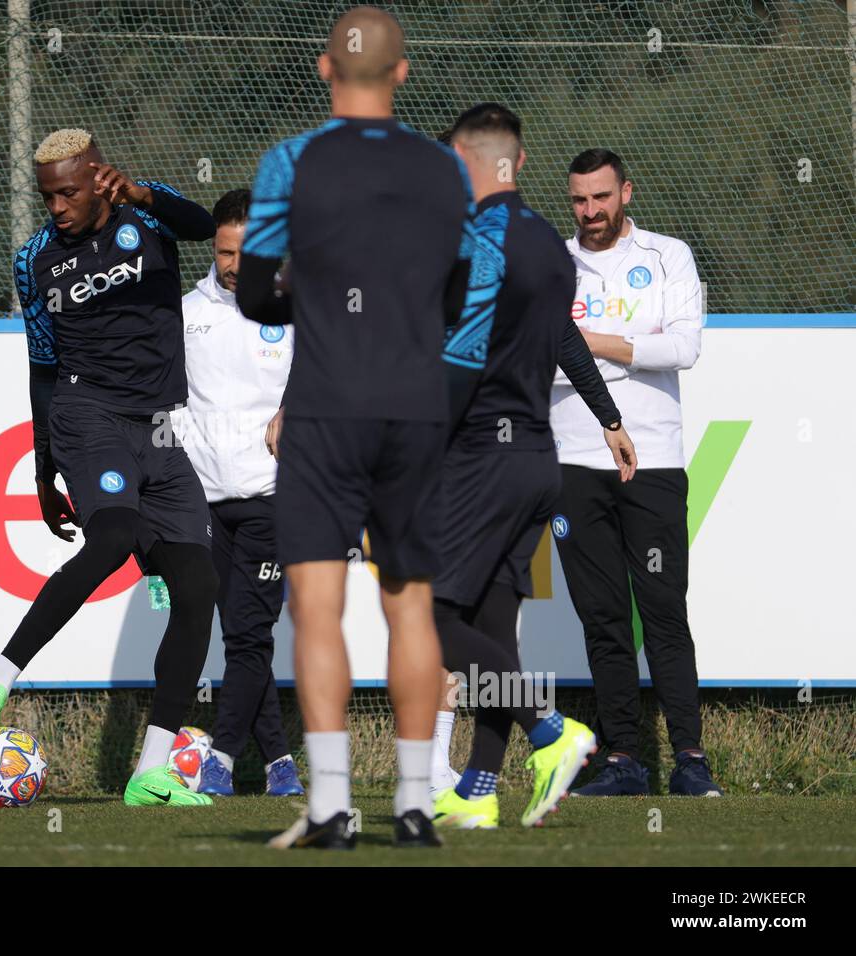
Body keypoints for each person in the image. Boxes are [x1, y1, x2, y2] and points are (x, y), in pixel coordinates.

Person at [237, 5, 471, 850]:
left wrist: (318, 292)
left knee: (316, 607)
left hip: (326, 407)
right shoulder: (447, 171)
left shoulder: (289, 163)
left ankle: (331, 804)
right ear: (403, 74)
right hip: (415, 406)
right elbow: (455, 296)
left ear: (324, 69)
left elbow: (254, 294)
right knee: (413, 608)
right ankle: (414, 804)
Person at [0, 129, 222, 807]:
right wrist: (46, 471)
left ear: (98, 179)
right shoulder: (35, 259)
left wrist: (142, 192)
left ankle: (149, 771)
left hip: (159, 425)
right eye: (48, 196)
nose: (58, 208)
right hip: (87, 412)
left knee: (196, 588)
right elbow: (41, 366)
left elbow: (206, 225)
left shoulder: (147, 216)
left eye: (69, 192)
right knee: (112, 537)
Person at [424, 104, 638, 830]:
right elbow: (565, 341)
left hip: (478, 458)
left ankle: (551, 732)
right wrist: (610, 419)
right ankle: (480, 788)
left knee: (429, 615)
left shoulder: (471, 240)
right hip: (536, 460)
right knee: (491, 628)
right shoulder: (550, 242)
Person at [553, 149, 723, 797]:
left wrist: (586, 342)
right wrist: (628, 348)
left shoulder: (667, 255)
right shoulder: (552, 267)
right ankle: (624, 758)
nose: (591, 212)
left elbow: (684, 347)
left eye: (601, 197)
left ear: (627, 191)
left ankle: (690, 759)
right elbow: (533, 363)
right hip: (573, 463)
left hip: (650, 460)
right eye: (579, 200)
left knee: (663, 611)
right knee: (601, 617)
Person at [172, 188, 304, 798]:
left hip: (272, 496)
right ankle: (278, 761)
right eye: (226, 252)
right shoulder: (185, 311)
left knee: (250, 633)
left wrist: (292, 408)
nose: (234, 265)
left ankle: (220, 760)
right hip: (201, 501)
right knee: (236, 634)